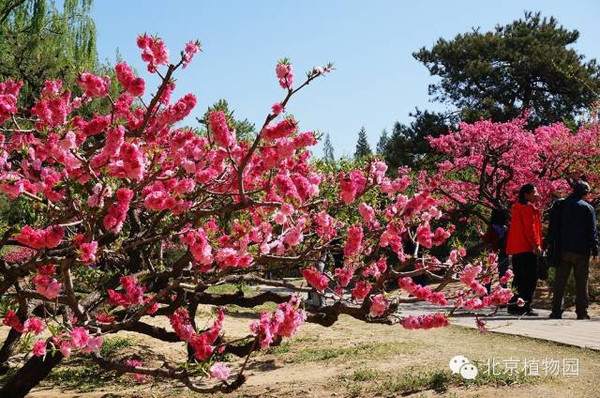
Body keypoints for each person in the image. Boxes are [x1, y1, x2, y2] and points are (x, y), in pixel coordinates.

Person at [549, 181, 598, 320]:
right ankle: (582, 312)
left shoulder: (560, 205)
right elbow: (592, 231)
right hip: (581, 250)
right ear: (585, 192)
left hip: (562, 248)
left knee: (560, 281)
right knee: (582, 282)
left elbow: (553, 226)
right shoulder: (588, 208)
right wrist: (595, 249)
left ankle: (556, 311)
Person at [506, 184, 543, 316]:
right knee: (529, 279)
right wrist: (536, 244)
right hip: (527, 248)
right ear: (526, 194)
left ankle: (514, 305)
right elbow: (530, 228)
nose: (537, 194)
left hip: (517, 248)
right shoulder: (528, 208)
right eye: (534, 192)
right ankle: (525, 306)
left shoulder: (517, 208)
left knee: (519, 279)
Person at [482, 208, 509, 291]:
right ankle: (503, 291)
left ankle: (485, 291)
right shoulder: (506, 228)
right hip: (504, 251)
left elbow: (488, 240)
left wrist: (481, 234)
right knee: (503, 273)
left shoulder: (492, 227)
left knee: (489, 272)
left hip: (493, 252)